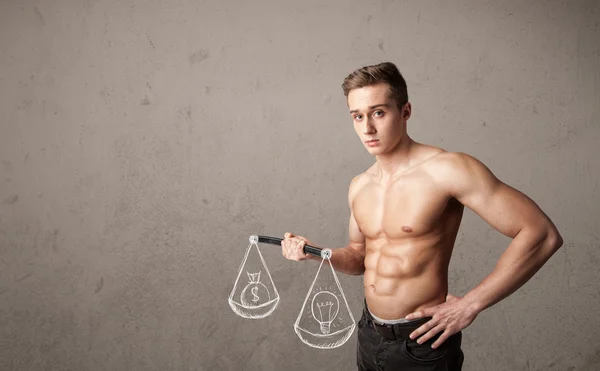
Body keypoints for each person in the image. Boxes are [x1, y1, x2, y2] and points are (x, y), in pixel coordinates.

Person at [280, 62, 563, 370]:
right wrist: (315, 253)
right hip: (369, 335)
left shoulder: (447, 169)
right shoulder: (359, 186)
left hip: (422, 343)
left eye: (378, 112)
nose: (367, 128)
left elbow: (541, 233)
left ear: (405, 111)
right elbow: (359, 257)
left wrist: (471, 304)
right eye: (357, 116)